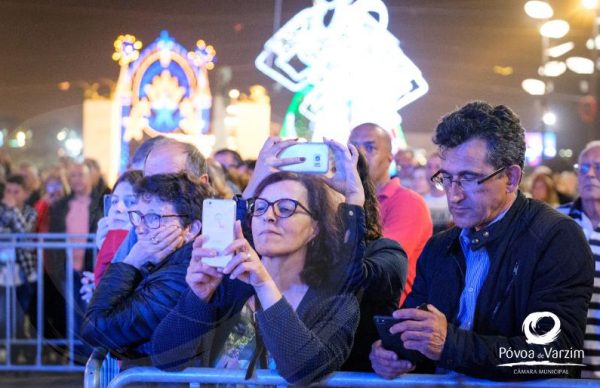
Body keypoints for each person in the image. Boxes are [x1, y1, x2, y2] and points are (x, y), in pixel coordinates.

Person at [369, 101, 594, 380]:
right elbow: (414, 330)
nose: (454, 195)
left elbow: (556, 354)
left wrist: (449, 344)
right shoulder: (440, 247)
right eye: (447, 178)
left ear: (511, 178)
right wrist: (392, 353)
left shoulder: (556, 237)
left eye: (469, 179)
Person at [151, 171, 360, 385]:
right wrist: (198, 297)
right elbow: (166, 358)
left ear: (315, 228)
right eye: (260, 207)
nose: (269, 216)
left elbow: (304, 370)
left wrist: (264, 285)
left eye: (286, 208)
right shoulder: (230, 283)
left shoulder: (337, 302)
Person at [81, 173, 210, 368]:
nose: (139, 229)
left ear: (191, 229)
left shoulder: (180, 277)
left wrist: (131, 261)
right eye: (138, 216)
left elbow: (94, 329)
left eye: (153, 218)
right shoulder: (161, 262)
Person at [349, 123, 432, 305]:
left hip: (389, 318)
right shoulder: (340, 199)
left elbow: (376, 267)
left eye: (370, 147)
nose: (359, 154)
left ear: (389, 158)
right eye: (353, 147)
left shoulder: (408, 203)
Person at [557, 140, 600, 378]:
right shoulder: (555, 221)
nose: (590, 175)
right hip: (563, 364)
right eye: (583, 168)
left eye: (598, 168)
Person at [79, 170, 143, 303]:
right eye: (114, 201)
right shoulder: (110, 241)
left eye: (130, 202)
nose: (118, 208)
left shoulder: (145, 250)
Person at [0, 175, 38, 360]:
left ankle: (23, 352)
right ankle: (13, 355)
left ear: (24, 193)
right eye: (8, 191)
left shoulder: (31, 212)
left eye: (16, 192)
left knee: (20, 316)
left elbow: (24, 234)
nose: (11, 196)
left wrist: (12, 210)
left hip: (24, 272)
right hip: (3, 271)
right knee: (4, 316)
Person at [423, 152, 453, 233]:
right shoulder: (421, 201)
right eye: (429, 167)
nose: (432, 171)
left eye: (437, 167)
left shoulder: (454, 200)